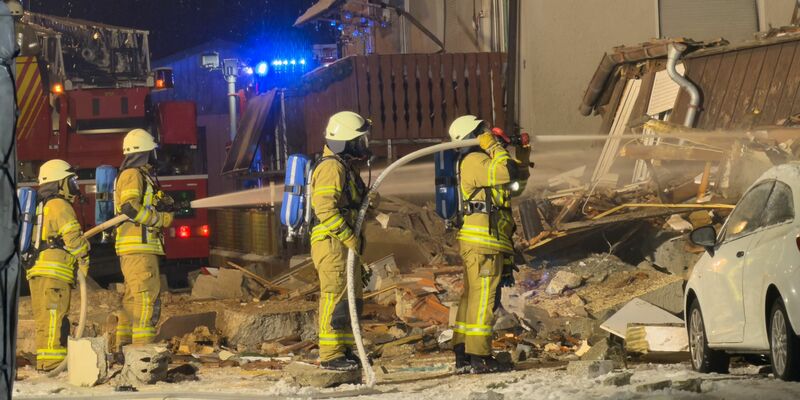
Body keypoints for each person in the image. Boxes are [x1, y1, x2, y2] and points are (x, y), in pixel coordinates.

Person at [448, 115, 531, 374]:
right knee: (484, 298)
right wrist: (495, 147)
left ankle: (464, 353)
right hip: (483, 242)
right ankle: (479, 356)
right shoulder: (474, 160)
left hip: (486, 241)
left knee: (473, 297)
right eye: (482, 131)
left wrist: (521, 153)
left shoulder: (483, 162)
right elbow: (504, 170)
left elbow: (514, 185)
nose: (488, 134)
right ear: (473, 135)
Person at [310, 111, 374, 371]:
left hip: (343, 244)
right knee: (334, 297)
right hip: (332, 243)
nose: (363, 145)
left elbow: (357, 203)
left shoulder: (345, 168)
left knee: (350, 299)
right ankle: (330, 354)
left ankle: (345, 349)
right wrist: (349, 237)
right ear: (345, 141)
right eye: (358, 140)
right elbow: (324, 209)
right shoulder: (331, 168)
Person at [112, 129, 173, 351]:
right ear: (144, 152)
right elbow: (129, 207)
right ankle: (142, 351)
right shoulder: (132, 175)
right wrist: (158, 219)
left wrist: (161, 204)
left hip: (137, 249)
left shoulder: (139, 175)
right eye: (152, 151)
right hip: (139, 248)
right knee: (145, 299)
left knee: (132, 300)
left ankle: (125, 348)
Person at [26, 159, 90, 371]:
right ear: (59, 182)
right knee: (54, 317)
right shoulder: (59, 205)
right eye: (70, 180)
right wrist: (85, 254)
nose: (74, 185)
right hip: (54, 273)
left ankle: (46, 362)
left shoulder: (41, 206)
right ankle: (54, 363)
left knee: (45, 319)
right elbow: (72, 238)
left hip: (38, 271)